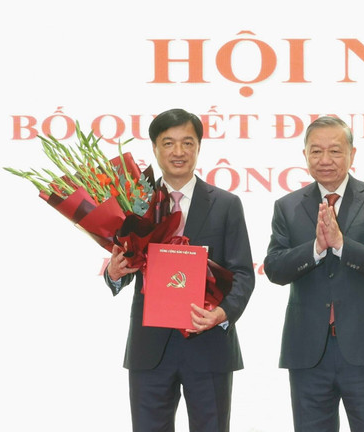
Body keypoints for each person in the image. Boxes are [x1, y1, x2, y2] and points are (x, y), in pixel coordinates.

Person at [104, 108, 255, 432]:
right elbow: (125, 263)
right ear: (155, 148)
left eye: (187, 143)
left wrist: (222, 313)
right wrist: (114, 273)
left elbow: (243, 272)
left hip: (209, 343)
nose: (178, 151)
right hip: (150, 349)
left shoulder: (226, 204)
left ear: (199, 147)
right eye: (168, 143)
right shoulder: (134, 202)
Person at [264, 116, 364, 432]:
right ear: (305, 155)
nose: (325, 159)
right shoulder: (287, 206)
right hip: (308, 352)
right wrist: (316, 248)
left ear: (352, 154)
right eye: (316, 151)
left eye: (335, 151)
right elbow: (274, 268)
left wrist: (341, 245)